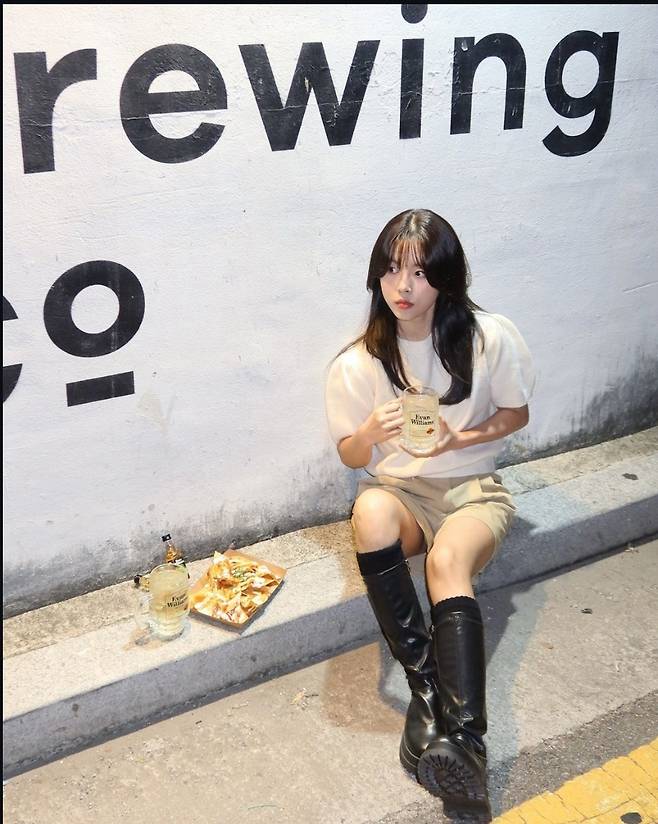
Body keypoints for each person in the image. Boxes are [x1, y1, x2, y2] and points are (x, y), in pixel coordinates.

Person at [324, 209, 534, 817]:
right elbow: (350, 454)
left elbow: (516, 413)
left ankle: (465, 741)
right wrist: (368, 431)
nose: (403, 287)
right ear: (376, 276)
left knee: (446, 564)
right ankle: (428, 689)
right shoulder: (358, 363)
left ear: (445, 277)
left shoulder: (488, 337)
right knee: (369, 513)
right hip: (403, 493)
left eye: (419, 272)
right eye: (392, 270)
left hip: (471, 490)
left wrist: (456, 440)